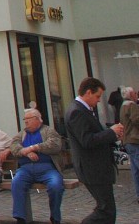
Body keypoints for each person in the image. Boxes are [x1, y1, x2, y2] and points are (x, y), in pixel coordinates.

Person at [65, 77, 125, 224]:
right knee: (106, 210)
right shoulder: (76, 111)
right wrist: (111, 132)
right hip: (93, 168)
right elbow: (87, 140)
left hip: (96, 168)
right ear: (89, 92)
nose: (98, 101)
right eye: (97, 96)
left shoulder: (83, 110)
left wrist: (112, 135)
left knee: (106, 209)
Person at [8, 108, 64, 224]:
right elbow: (13, 146)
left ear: (37, 119)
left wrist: (35, 147)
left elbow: (55, 145)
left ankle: (55, 218)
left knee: (56, 186)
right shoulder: (22, 134)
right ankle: (20, 217)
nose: (26, 122)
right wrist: (26, 152)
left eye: (28, 119)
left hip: (47, 169)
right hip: (25, 169)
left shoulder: (48, 131)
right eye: (25, 120)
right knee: (16, 182)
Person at [121, 86, 139, 204]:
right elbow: (136, 119)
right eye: (135, 93)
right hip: (135, 139)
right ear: (131, 94)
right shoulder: (132, 105)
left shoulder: (123, 106)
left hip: (128, 140)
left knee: (135, 169)